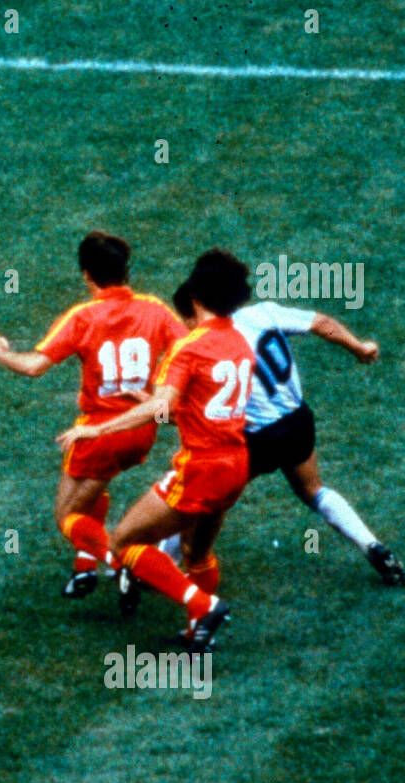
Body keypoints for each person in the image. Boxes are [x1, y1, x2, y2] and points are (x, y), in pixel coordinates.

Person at [56, 249, 256, 651]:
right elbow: (195, 407)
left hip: (200, 468)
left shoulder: (191, 348)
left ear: (196, 296)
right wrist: (154, 401)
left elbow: (158, 408)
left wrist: (99, 430)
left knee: (123, 543)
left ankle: (204, 605)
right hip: (237, 465)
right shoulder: (239, 344)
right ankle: (198, 630)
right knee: (196, 553)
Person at [0, 231, 186, 600]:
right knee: (97, 488)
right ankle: (84, 569)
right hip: (142, 429)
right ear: (126, 271)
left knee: (67, 517)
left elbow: (34, 366)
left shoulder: (84, 316)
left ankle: (118, 560)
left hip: (100, 432)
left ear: (87, 275)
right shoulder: (155, 309)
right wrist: (152, 392)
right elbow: (189, 352)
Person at [174, 291, 405, 584]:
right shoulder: (263, 313)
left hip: (256, 438)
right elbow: (322, 323)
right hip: (297, 422)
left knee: (201, 496)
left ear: (198, 314)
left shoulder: (207, 345)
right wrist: (358, 347)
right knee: (314, 490)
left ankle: (157, 565)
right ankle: (372, 546)